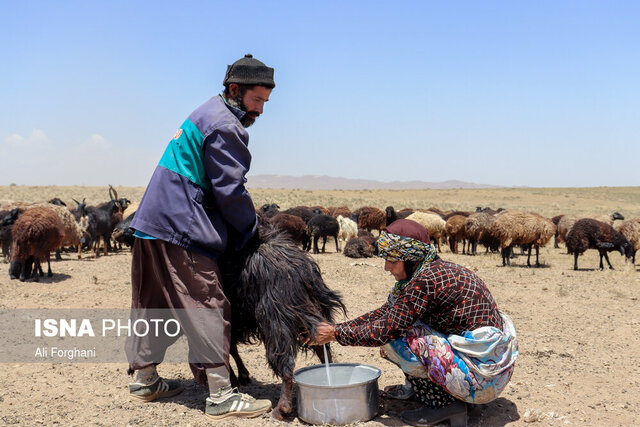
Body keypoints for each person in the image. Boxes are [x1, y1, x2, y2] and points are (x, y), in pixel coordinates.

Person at [124, 54, 275, 420]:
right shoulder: (226, 125)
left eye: (266, 103)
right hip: (181, 224)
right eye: (257, 100)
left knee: (153, 300)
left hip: (151, 221)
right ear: (235, 90)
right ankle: (222, 393)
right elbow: (230, 190)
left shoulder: (204, 112)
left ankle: (145, 379)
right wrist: (251, 231)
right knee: (206, 299)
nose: (260, 110)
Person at [305, 219, 518, 426]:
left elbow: (386, 329)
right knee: (401, 326)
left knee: (401, 336)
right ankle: (452, 396)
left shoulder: (426, 280)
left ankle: (443, 405)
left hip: (482, 381)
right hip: (490, 370)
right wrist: (337, 329)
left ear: (411, 258)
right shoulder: (437, 270)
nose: (387, 268)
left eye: (393, 261)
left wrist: (335, 334)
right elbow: (386, 312)